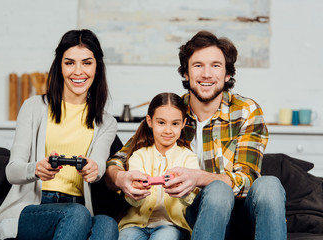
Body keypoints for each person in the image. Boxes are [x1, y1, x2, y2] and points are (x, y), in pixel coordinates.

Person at [105, 30, 287, 240]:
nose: (206, 74)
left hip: (240, 212)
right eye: (198, 65)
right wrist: (120, 178)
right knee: (217, 191)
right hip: (195, 214)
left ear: (227, 74)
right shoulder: (172, 112)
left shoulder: (246, 110)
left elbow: (246, 180)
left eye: (215, 65)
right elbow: (119, 160)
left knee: (269, 185)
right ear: (186, 73)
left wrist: (199, 178)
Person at [0, 29, 119, 240]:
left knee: (107, 224)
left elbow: (99, 165)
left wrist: (93, 169)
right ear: (60, 67)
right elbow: (12, 171)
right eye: (69, 63)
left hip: (78, 207)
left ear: (97, 67)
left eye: (87, 63)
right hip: (34, 208)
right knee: (77, 215)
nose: (78, 71)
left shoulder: (106, 122)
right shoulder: (34, 107)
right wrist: (36, 169)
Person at [118, 92, 200, 240]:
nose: (168, 130)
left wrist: (184, 192)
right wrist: (137, 192)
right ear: (150, 121)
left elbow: (192, 201)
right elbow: (132, 200)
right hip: (135, 224)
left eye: (175, 123)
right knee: (125, 237)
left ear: (183, 123)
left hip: (171, 225)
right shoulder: (138, 156)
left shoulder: (189, 158)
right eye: (161, 123)